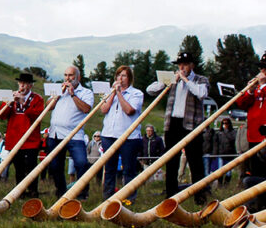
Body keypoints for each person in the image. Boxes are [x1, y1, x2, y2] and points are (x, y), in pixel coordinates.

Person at [147, 51, 210, 200]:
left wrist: (186, 80)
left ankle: (199, 196)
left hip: (192, 124)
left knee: (195, 162)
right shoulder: (173, 80)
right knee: (171, 161)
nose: (182, 68)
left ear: (192, 65)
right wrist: (167, 82)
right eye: (180, 65)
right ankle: (171, 196)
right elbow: (150, 90)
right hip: (173, 124)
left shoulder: (201, 80)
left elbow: (202, 94)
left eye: (185, 65)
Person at [44, 66, 94, 199]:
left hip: (74, 135)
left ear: (78, 77)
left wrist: (72, 94)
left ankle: (82, 193)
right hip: (55, 134)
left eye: (71, 75)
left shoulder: (85, 92)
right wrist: (57, 95)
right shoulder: (59, 90)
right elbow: (48, 106)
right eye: (65, 75)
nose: (67, 78)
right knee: (55, 166)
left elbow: (86, 109)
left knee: (81, 163)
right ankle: (61, 192)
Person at [98, 65, 143, 201]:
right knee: (109, 168)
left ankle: (129, 198)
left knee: (128, 169)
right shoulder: (110, 93)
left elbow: (129, 110)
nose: (120, 78)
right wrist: (112, 94)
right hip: (109, 135)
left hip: (129, 137)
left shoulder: (136, 94)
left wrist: (119, 93)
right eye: (118, 75)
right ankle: (108, 197)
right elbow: (103, 109)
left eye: (123, 75)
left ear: (129, 78)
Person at [0, 72, 44, 198]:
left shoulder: (37, 99)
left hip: (31, 139)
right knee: (18, 168)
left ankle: (33, 191)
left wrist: (23, 102)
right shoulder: (11, 96)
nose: (22, 86)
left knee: (31, 166)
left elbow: (36, 115)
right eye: (20, 83)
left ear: (30, 86)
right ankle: (20, 192)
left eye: (25, 84)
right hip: (14, 138)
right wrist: (9, 103)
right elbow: (2, 115)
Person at [234, 55, 266, 181]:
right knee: (255, 172)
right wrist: (250, 91)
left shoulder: (262, 86)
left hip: (264, 135)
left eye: (265, 68)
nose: (262, 71)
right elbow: (241, 103)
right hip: (253, 135)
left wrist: (263, 85)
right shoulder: (257, 87)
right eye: (261, 67)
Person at [213, 117, 237, 185]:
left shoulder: (233, 132)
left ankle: (226, 185)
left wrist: (226, 132)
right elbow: (216, 144)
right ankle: (220, 184)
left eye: (226, 123)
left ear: (229, 124)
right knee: (220, 170)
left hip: (229, 154)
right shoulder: (219, 133)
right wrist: (215, 153)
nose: (225, 125)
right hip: (221, 154)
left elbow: (232, 139)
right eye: (223, 123)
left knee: (228, 172)